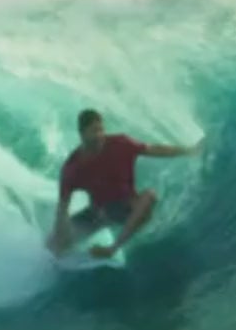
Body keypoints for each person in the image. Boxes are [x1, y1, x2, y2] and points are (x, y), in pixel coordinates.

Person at [46, 108, 203, 260]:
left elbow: (153, 149)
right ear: (82, 134)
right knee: (52, 244)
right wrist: (62, 237)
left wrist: (188, 151)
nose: (99, 135)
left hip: (128, 207)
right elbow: (62, 209)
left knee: (150, 196)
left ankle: (113, 248)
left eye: (101, 129)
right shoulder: (73, 168)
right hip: (99, 213)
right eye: (94, 131)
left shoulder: (120, 143)